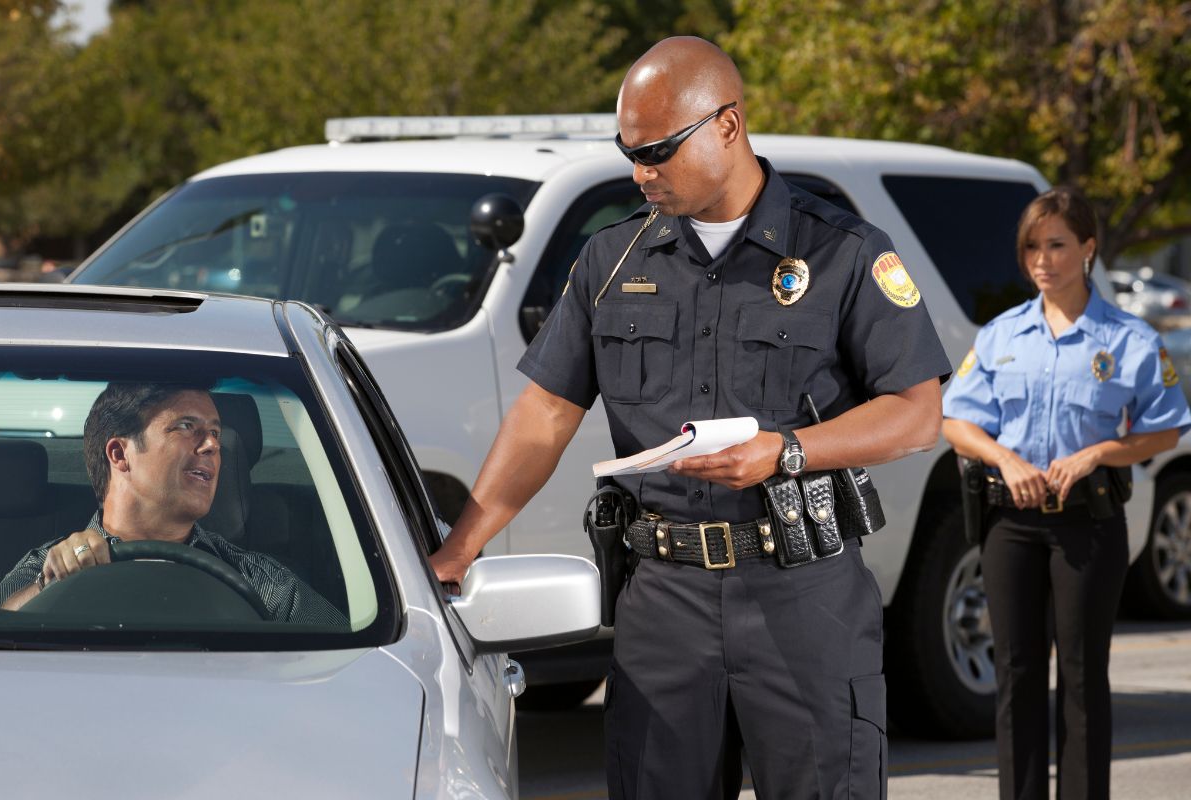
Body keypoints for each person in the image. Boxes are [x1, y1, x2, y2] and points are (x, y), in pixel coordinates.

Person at [430, 36, 951, 798]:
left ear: (729, 126)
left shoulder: (844, 253)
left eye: (660, 152)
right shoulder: (611, 263)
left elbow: (917, 415)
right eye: (629, 153)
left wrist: (787, 451)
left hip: (803, 593)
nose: (642, 174)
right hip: (664, 601)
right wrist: (463, 544)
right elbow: (545, 413)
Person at [941, 187, 1191, 800]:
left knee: (1082, 678)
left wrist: (1099, 453)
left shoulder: (1129, 339)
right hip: (1011, 525)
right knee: (1016, 675)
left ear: (1087, 248)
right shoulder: (1001, 336)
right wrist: (1004, 458)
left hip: (1089, 527)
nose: (1042, 260)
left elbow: (1167, 426)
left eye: (1056, 245)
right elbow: (954, 422)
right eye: (1032, 246)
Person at [0, 382, 347, 626]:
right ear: (119, 454)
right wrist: (48, 584)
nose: (212, 445)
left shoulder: (263, 582)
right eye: (186, 426)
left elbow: (354, 664)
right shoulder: (46, 565)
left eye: (215, 432)